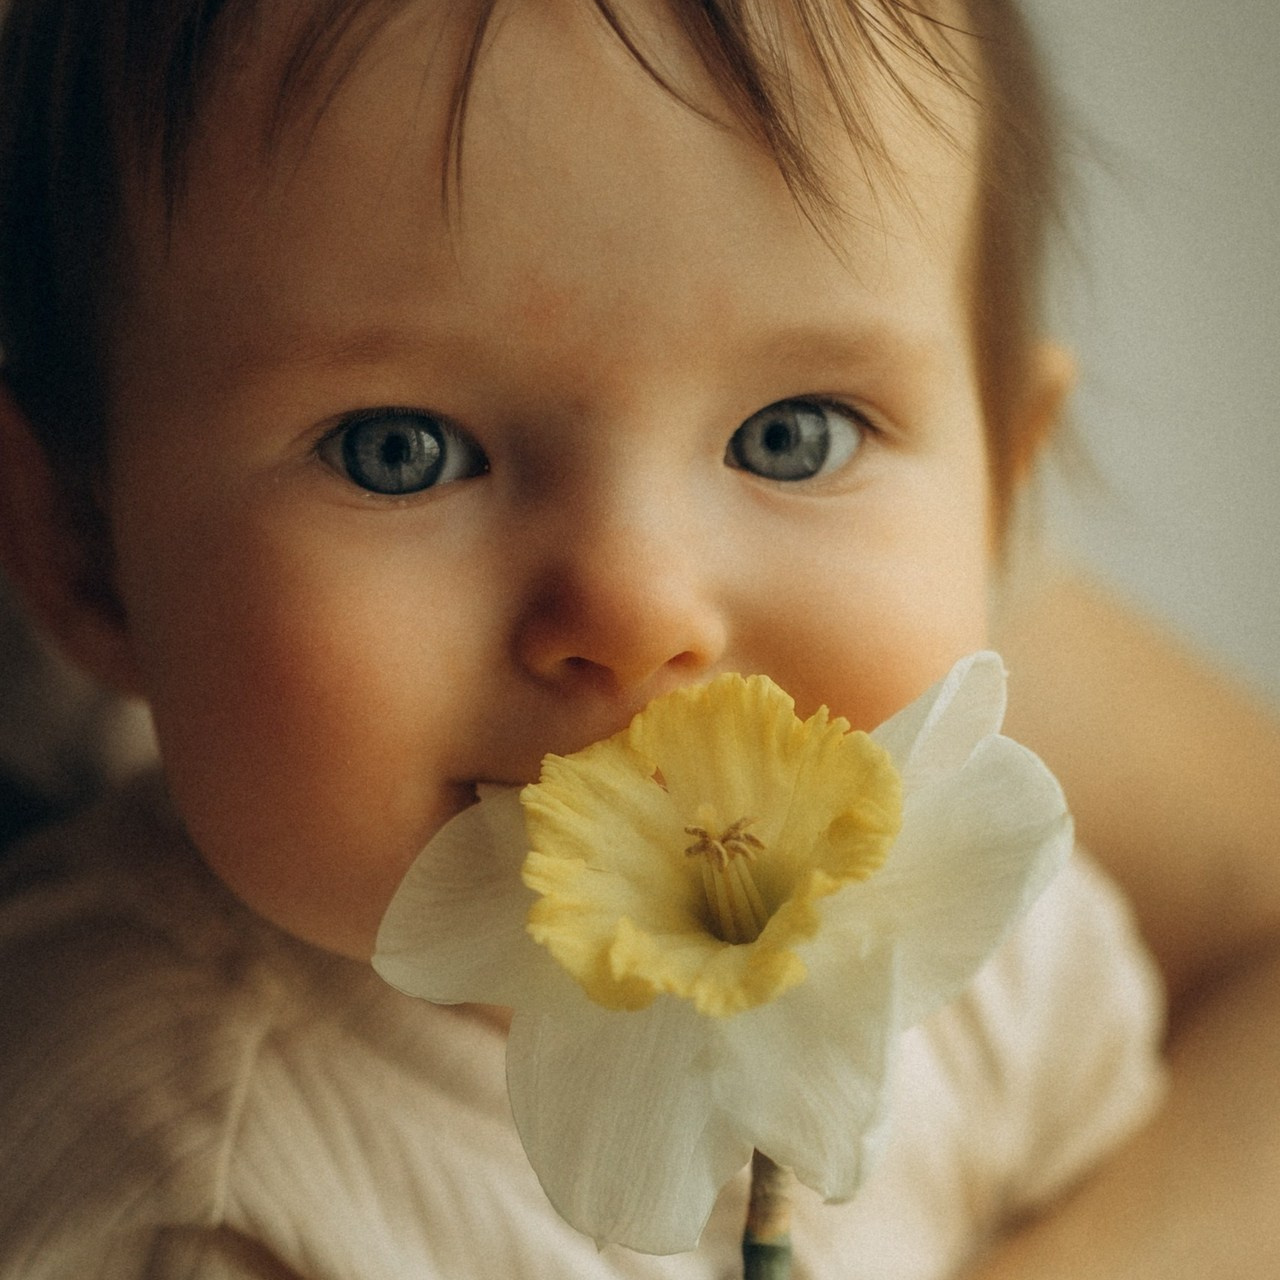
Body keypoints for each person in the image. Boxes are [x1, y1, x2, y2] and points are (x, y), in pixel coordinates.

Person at [0, 0, 1273, 1275]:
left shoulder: (1000, 952)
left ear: (1001, 504)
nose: (634, 605)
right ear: (83, 549)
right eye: (402, 451)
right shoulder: (174, 1194)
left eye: (794, 433)